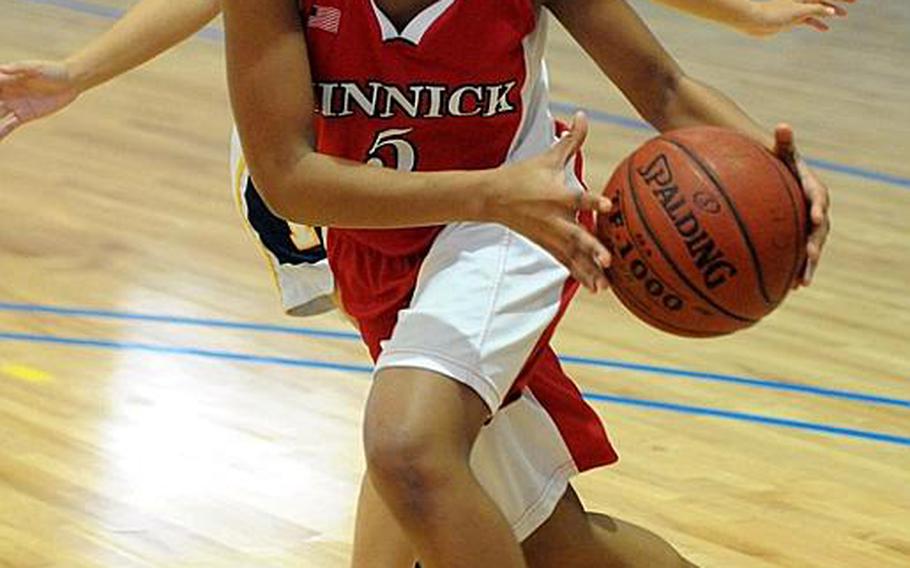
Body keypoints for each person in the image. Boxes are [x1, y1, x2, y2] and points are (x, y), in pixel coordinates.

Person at [0, 0, 837, 565]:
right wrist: (81, 70)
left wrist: (775, 171)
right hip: (376, 224)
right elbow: (290, 177)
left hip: (517, 215)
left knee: (406, 445)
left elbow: (660, 84)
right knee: (551, 541)